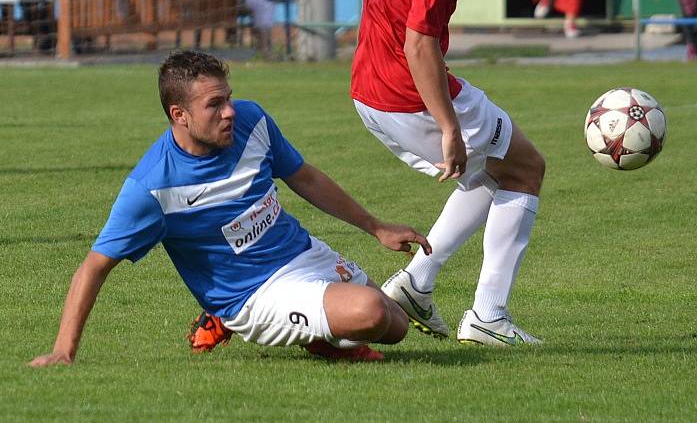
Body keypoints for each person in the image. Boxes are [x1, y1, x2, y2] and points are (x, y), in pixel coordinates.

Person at [29, 50, 431, 368]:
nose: (230, 111)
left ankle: (316, 326)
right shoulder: (152, 187)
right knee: (370, 311)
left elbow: (304, 177)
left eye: (229, 98)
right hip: (252, 295)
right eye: (215, 104)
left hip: (300, 253)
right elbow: (93, 267)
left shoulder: (251, 122)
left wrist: (376, 227)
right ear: (179, 115)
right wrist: (64, 350)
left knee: (394, 327)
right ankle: (312, 340)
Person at [350, 0, 545, 348]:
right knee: (525, 169)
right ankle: (488, 317)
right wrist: (448, 127)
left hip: (369, 82)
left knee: (490, 174)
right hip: (406, 88)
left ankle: (417, 284)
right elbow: (419, 43)